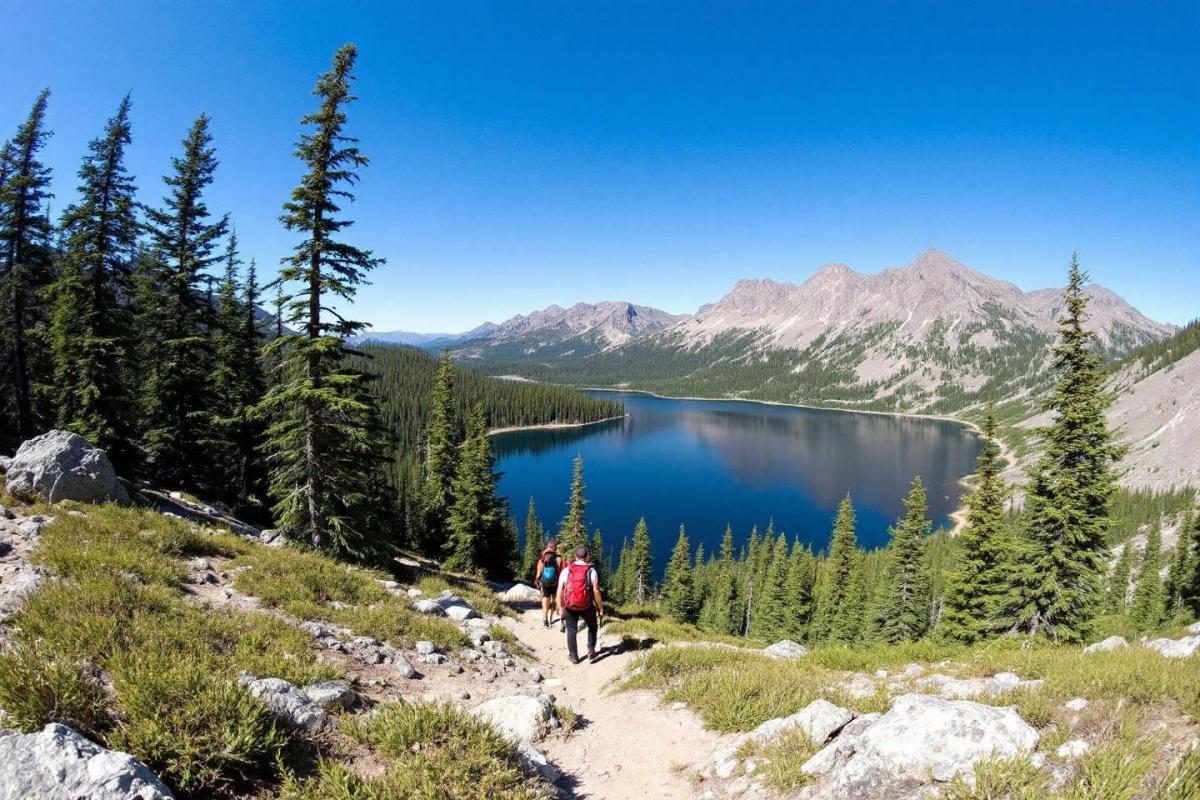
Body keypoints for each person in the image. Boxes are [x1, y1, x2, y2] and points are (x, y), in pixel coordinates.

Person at [557, 544, 605, 663]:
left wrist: (560, 607)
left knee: (571, 629)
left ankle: (573, 656)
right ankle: (591, 650)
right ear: (587, 556)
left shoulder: (567, 570)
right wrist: (600, 607)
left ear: (575, 556)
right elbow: (596, 591)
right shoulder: (591, 571)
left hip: (570, 606)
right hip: (586, 606)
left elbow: (560, 590)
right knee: (592, 626)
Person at [534, 539, 563, 629]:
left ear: (548, 546)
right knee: (554, 600)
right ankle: (551, 618)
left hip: (545, 582)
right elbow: (559, 572)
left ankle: (545, 620)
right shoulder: (558, 558)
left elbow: (538, 574)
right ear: (555, 548)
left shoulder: (542, 558)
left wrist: (537, 581)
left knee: (545, 600)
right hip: (555, 582)